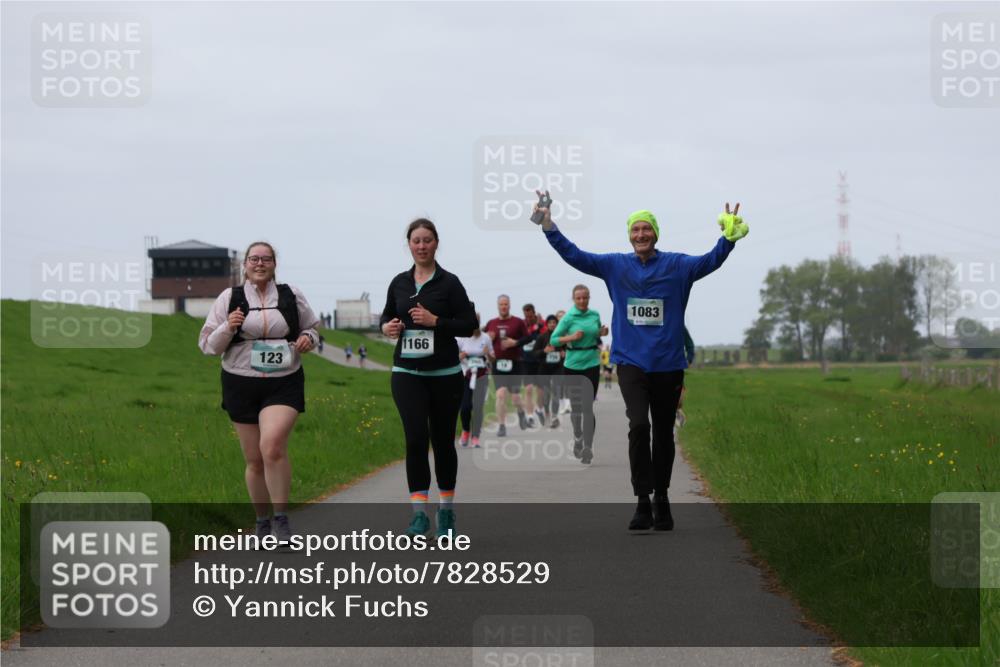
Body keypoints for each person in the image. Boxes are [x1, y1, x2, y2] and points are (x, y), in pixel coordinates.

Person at [533, 194, 748, 530]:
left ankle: (662, 497)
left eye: (647, 229)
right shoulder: (615, 266)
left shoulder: (677, 266)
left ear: (656, 233)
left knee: (663, 432)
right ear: (629, 234)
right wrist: (548, 226)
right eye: (636, 229)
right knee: (639, 425)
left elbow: (710, 261)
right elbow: (574, 255)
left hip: (668, 363)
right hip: (631, 362)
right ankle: (642, 500)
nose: (641, 234)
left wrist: (729, 238)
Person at [198, 241, 320, 545]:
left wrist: (307, 338)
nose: (260, 263)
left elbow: (313, 329)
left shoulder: (291, 295)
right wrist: (229, 326)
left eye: (266, 259)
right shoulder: (230, 297)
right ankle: (262, 522)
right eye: (254, 259)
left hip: (284, 380)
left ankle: (281, 521)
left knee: (273, 446)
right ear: (245, 264)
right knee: (254, 459)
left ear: (275, 264)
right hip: (240, 381)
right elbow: (207, 346)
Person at [381, 218, 477, 540]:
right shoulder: (399, 282)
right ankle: (419, 516)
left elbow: (467, 325)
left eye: (427, 240)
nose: (421, 246)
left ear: (437, 243)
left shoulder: (450, 283)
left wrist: (436, 321)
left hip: (445, 375)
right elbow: (385, 316)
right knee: (415, 440)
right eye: (416, 241)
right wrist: (388, 328)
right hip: (407, 373)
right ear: (408, 244)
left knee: (442, 442)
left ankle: (446, 511)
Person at [545, 285, 607, 464]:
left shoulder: (594, 315)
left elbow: (596, 335)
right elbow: (554, 339)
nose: (582, 301)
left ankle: (588, 446)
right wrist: (571, 338)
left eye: (585, 298)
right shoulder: (568, 318)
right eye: (578, 298)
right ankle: (578, 436)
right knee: (577, 407)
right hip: (572, 365)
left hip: (592, 363)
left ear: (589, 298)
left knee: (588, 407)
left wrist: (602, 332)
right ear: (573, 299)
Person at [484, 295, 529, 437]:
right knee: (501, 394)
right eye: (501, 304)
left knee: (515, 398)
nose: (504, 306)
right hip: (498, 364)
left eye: (506, 304)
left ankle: (521, 413)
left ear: (509, 305)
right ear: (498, 306)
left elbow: (528, 338)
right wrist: (488, 339)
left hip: (515, 364)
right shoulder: (491, 323)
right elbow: (483, 340)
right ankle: (502, 426)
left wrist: (514, 343)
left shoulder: (518, 322)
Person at [456, 314, 494, 448]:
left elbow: (493, 358)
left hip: (481, 376)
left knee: (478, 407)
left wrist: (487, 354)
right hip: (466, 376)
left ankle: (476, 436)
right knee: (465, 407)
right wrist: (462, 355)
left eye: (477, 321)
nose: (474, 324)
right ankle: (466, 431)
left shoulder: (486, 338)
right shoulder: (461, 338)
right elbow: (453, 357)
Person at [519, 303, 548, 426]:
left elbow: (548, 337)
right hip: (526, 362)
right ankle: (530, 416)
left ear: (534, 313)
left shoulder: (542, 326)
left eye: (530, 316)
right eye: (526, 316)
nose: (529, 319)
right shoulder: (522, 326)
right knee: (528, 389)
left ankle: (539, 409)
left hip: (539, 361)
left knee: (540, 390)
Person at [534, 314, 563, 429]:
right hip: (544, 368)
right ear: (547, 324)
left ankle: (555, 417)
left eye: (554, 322)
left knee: (556, 391)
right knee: (546, 393)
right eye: (550, 322)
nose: (552, 324)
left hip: (557, 368)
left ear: (557, 324)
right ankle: (547, 414)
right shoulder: (542, 337)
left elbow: (568, 350)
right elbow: (534, 353)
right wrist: (543, 351)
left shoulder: (561, 336)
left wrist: (564, 354)